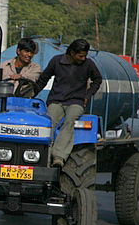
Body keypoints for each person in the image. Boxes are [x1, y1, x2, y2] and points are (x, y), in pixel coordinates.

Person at [35, 38, 102, 167]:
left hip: (76, 101)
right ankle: (44, 155)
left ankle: (59, 156)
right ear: (72, 53)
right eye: (80, 56)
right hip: (56, 100)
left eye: (85, 56)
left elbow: (97, 80)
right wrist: (32, 94)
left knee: (70, 120)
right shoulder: (56, 61)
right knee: (50, 121)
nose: (83, 58)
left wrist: (87, 95)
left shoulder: (88, 64)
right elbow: (43, 79)